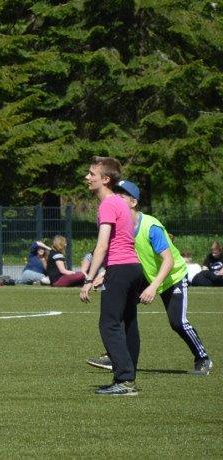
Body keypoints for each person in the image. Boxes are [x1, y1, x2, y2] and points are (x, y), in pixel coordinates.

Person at [100, 181, 210, 374]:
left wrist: (153, 287)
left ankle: (202, 358)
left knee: (178, 322)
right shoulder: (121, 226)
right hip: (147, 275)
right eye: (115, 195)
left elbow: (167, 261)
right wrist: (104, 274)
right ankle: (117, 357)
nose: (117, 199)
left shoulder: (151, 226)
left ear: (133, 202)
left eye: (122, 196)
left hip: (172, 276)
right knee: (121, 310)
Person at [79, 156, 146, 396]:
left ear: (105, 179)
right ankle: (128, 377)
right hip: (132, 269)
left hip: (120, 268)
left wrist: (89, 278)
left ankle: (124, 380)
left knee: (109, 324)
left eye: (91, 174)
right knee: (128, 323)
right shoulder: (121, 203)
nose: (87, 177)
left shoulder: (108, 204)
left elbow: (103, 245)